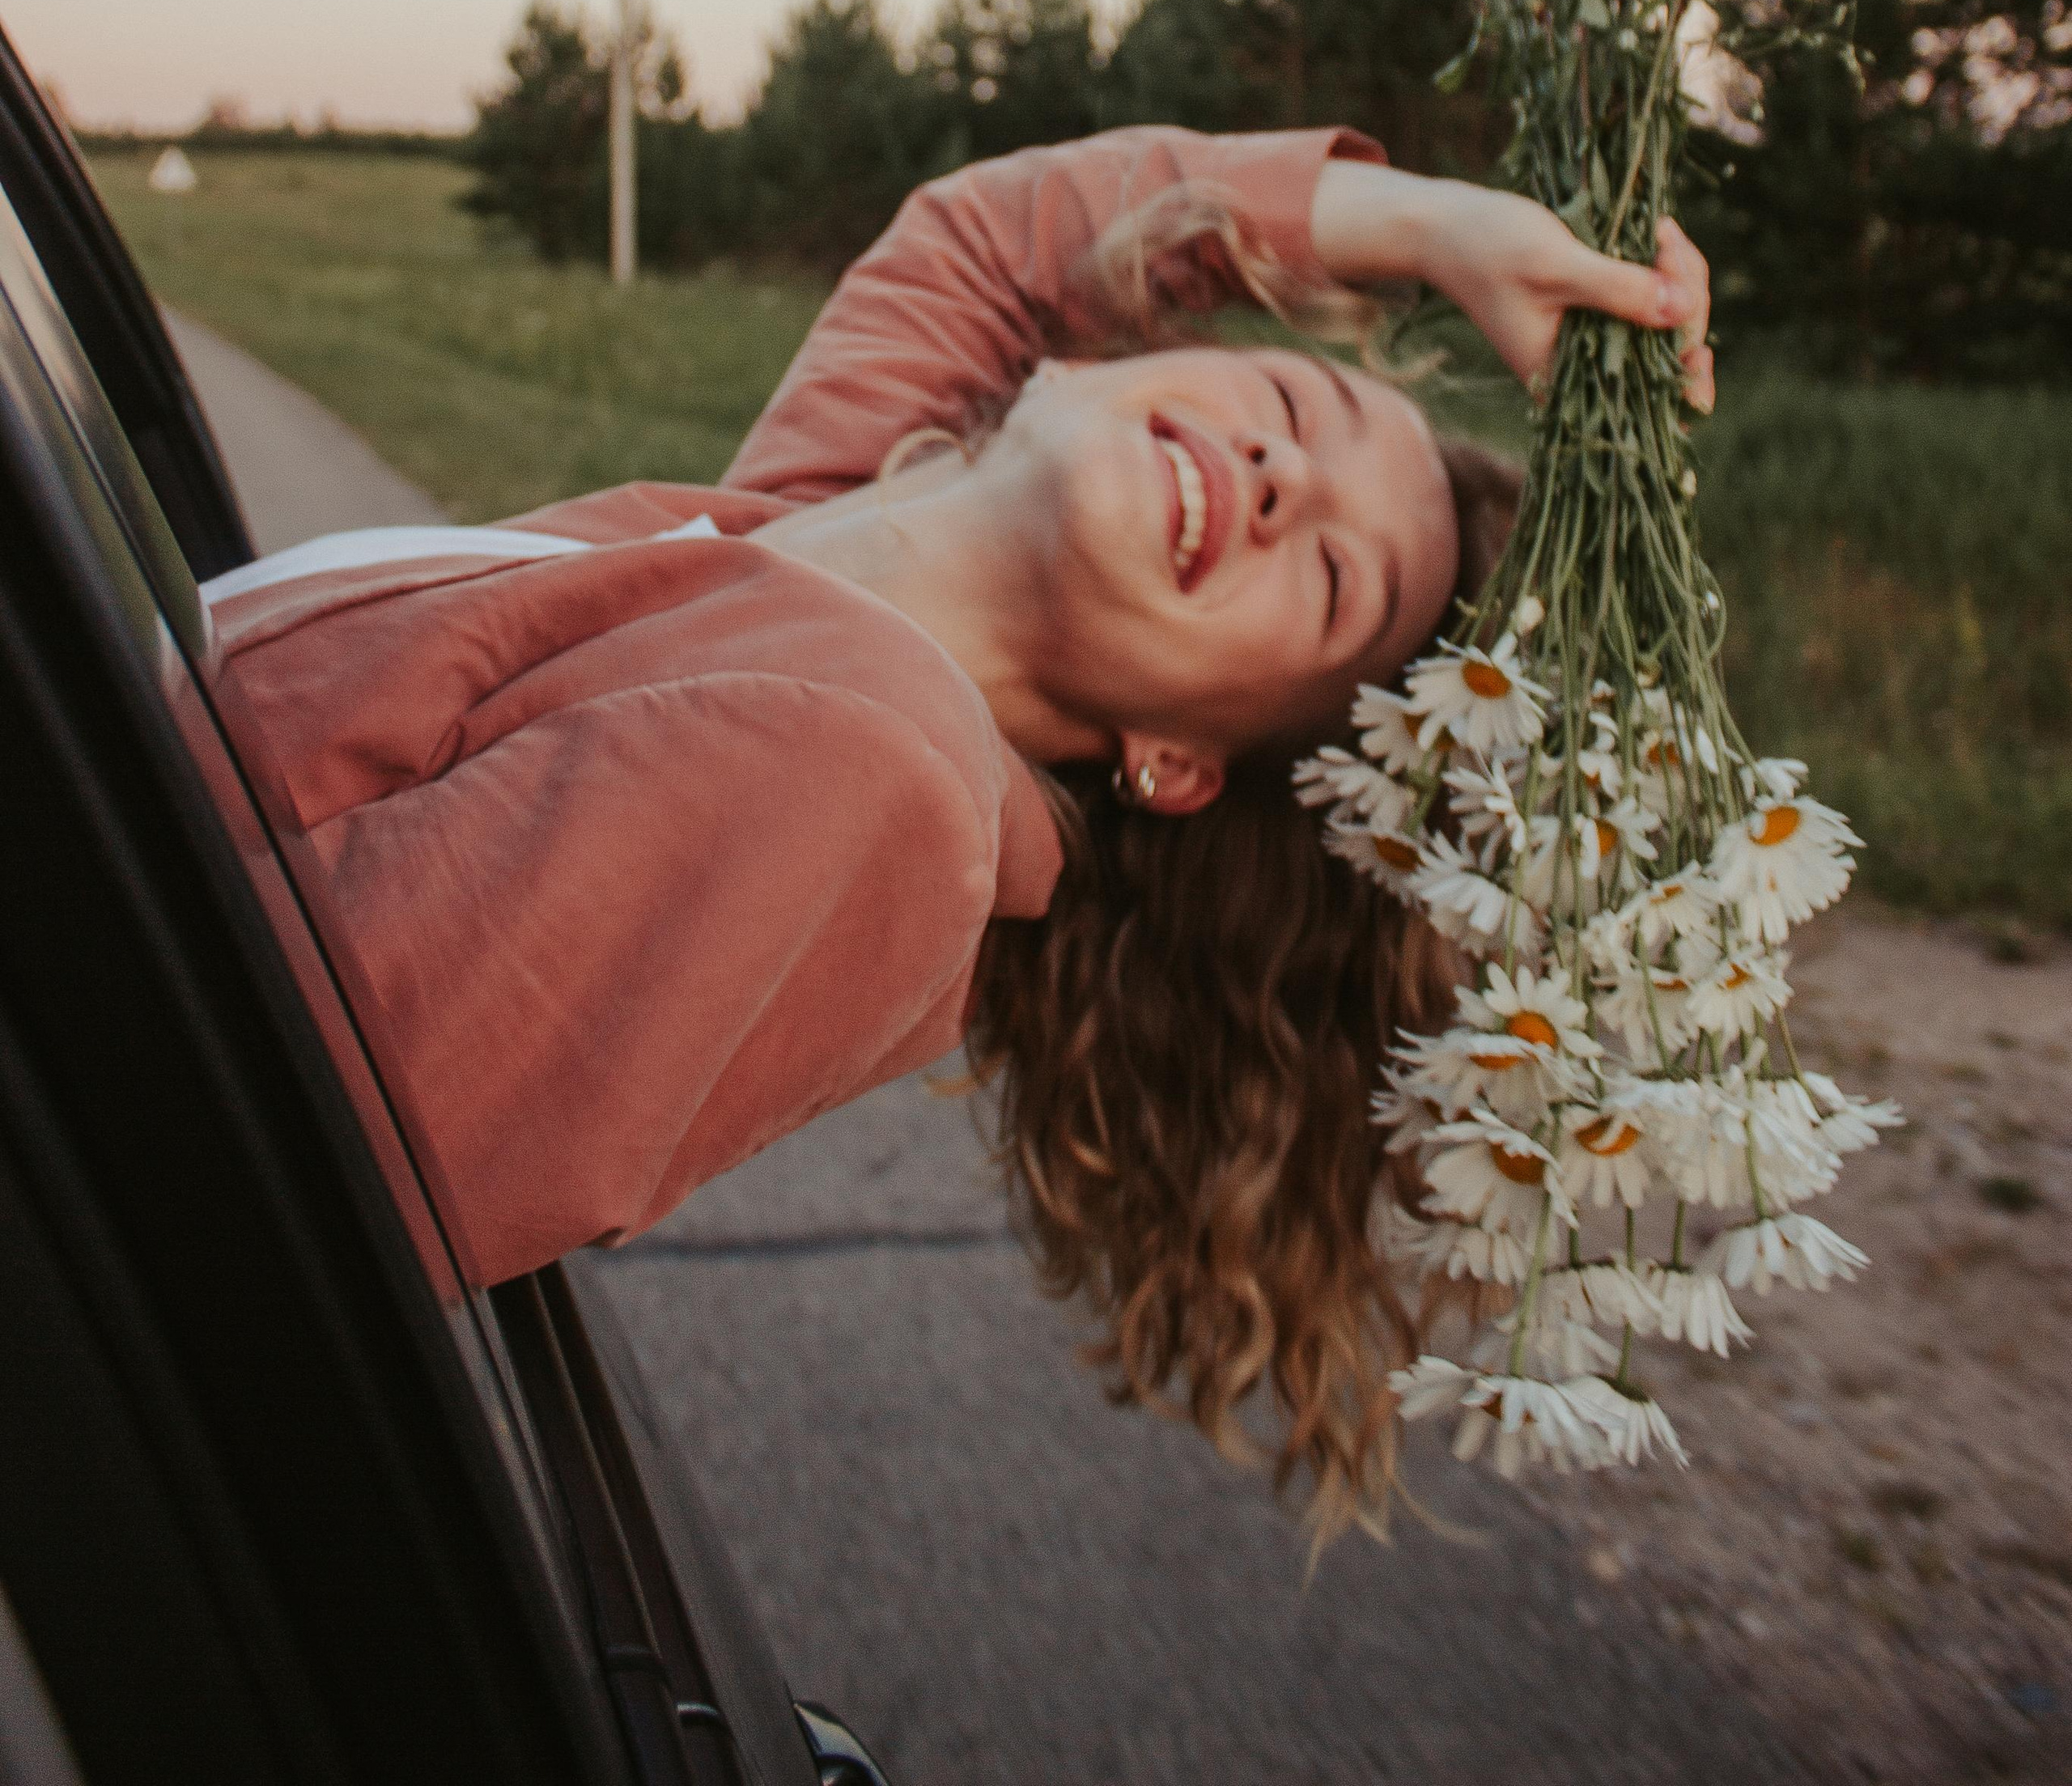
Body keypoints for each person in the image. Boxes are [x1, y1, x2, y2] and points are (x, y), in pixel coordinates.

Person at [207, 122, 1710, 1536]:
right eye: (1297, 406)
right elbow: (994, 238)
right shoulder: (799, 520)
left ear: (1181, 762)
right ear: (1089, 363)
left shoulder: (865, 763)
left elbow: (214, 1143)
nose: (1279, 475)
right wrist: (1441, 230)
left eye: (1330, 579)